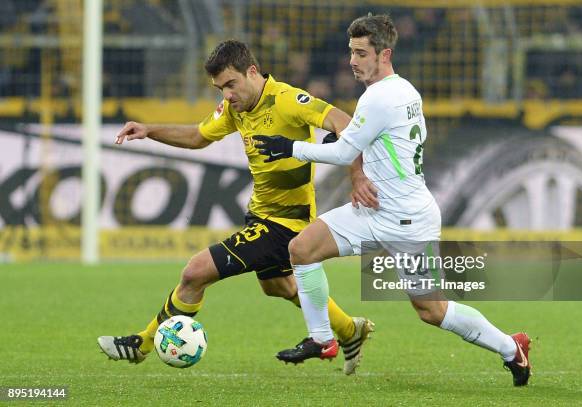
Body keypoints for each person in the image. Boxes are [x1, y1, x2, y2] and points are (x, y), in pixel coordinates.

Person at [255, 14, 532, 386]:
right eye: (350, 51)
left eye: (361, 53)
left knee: (431, 310)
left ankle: (511, 348)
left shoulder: (380, 97)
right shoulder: (404, 91)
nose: (352, 61)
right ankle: (322, 339)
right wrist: (356, 153)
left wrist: (290, 147)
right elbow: (376, 142)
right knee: (302, 249)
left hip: (407, 219)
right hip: (373, 207)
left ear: (384, 54)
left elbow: (342, 154)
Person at [97, 39, 374, 375]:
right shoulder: (235, 108)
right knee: (279, 286)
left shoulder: (288, 100)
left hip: (286, 223)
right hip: (260, 215)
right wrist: (150, 130)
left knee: (195, 272)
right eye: (219, 88)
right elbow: (199, 137)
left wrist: (357, 177)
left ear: (252, 71)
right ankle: (350, 330)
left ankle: (141, 343)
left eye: (230, 84)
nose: (226, 95)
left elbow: (344, 122)